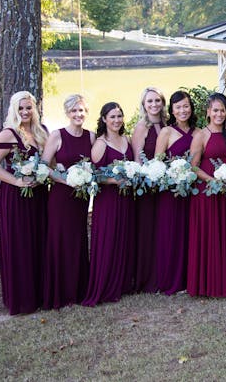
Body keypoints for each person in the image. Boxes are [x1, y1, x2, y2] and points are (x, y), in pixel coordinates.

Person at [0, 91, 49, 315]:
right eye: (21, 108)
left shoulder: (42, 132)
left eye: (28, 108)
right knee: (20, 245)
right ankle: (22, 299)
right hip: (15, 198)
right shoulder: (9, 134)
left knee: (39, 242)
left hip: (40, 197)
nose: (25, 112)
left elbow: (50, 163)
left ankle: (40, 294)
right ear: (14, 109)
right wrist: (17, 181)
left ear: (34, 109)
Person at [41, 94, 95, 309]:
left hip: (80, 198)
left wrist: (85, 179)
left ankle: (79, 290)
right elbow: (45, 167)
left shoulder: (91, 137)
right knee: (60, 241)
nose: (78, 114)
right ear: (67, 113)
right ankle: (59, 293)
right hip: (61, 197)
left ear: (86, 112)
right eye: (74, 111)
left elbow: (94, 165)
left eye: (81, 110)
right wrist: (65, 180)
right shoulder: (57, 135)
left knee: (79, 239)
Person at [82, 102, 135, 306]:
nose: (116, 120)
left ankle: (121, 283)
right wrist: (114, 181)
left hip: (126, 198)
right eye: (112, 117)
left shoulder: (126, 139)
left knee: (123, 238)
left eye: (119, 116)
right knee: (108, 240)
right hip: (108, 200)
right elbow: (93, 175)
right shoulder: (101, 143)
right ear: (104, 119)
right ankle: (104, 286)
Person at [188, 92, 226, 297]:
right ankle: (208, 283)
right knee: (210, 236)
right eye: (215, 110)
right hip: (207, 193)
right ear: (208, 112)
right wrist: (212, 180)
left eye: (222, 110)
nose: (219, 114)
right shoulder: (201, 135)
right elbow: (192, 167)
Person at [153, 90, 197, 295]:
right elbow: (157, 164)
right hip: (170, 193)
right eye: (178, 107)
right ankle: (169, 278)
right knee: (171, 234)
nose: (183, 110)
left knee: (190, 233)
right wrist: (172, 176)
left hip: (192, 193)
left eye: (186, 106)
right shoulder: (166, 133)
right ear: (171, 110)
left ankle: (190, 278)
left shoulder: (198, 133)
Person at [131, 86, 166, 294]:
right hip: (147, 187)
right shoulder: (141, 127)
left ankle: (161, 273)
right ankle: (146, 277)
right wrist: (148, 178)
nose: (154, 105)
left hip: (166, 186)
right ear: (144, 105)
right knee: (147, 230)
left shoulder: (166, 125)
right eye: (149, 101)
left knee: (161, 230)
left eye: (157, 101)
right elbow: (137, 159)